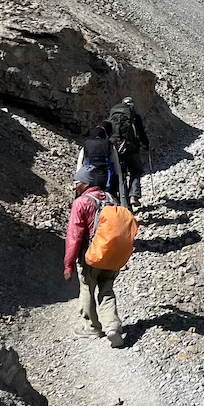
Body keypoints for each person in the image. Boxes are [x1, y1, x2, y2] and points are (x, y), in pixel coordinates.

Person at [64, 164, 125, 347]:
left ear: (85, 183)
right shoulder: (110, 198)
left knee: (87, 289)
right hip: (111, 255)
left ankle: (93, 327)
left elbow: (74, 236)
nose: (75, 186)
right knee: (106, 290)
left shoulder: (81, 203)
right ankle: (112, 326)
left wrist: (68, 265)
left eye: (78, 182)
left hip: (90, 256)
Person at [75, 121, 129, 210]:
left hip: (89, 180)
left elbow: (80, 165)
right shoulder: (109, 145)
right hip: (106, 180)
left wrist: (78, 181)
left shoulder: (86, 145)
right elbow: (116, 165)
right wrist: (119, 181)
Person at [109, 96, 151, 209]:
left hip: (117, 149)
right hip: (132, 148)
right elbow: (141, 133)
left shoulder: (115, 116)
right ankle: (134, 196)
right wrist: (146, 144)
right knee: (136, 171)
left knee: (121, 176)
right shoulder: (135, 117)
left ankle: (125, 205)